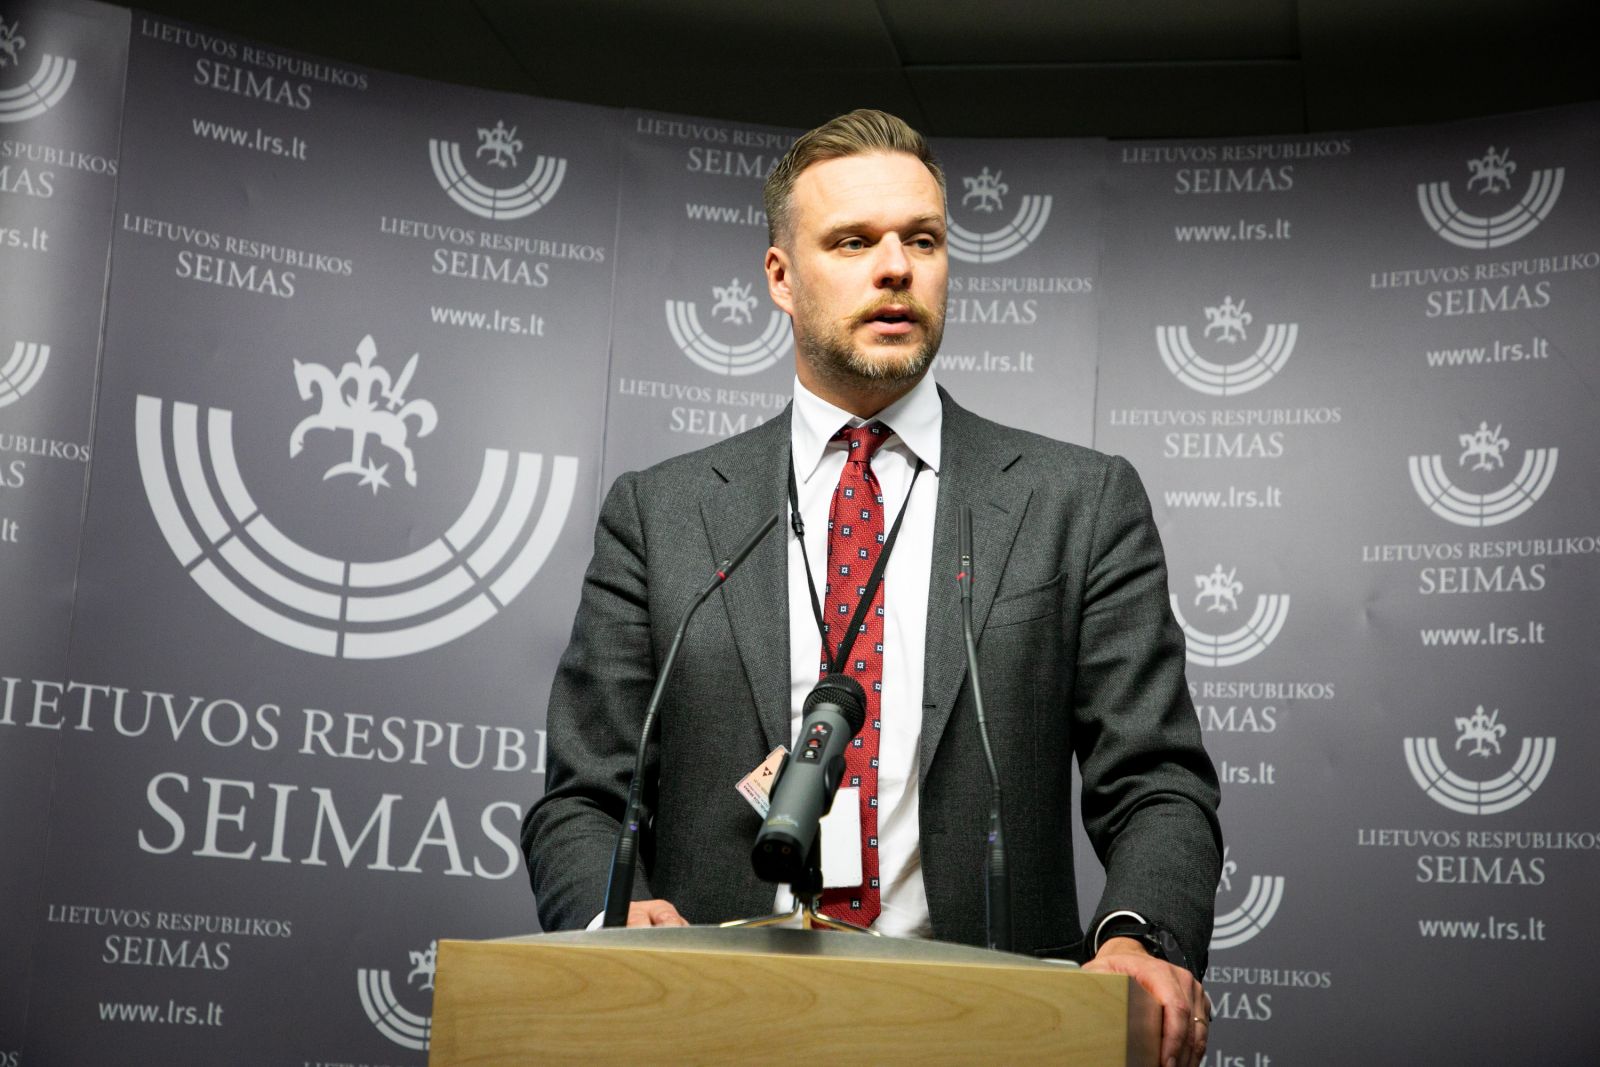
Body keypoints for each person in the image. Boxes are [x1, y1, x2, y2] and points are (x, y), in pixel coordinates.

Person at [523, 109, 1222, 1067]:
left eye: (922, 240)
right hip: (713, 1023)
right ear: (781, 277)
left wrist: (1139, 935)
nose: (895, 268)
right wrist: (612, 914)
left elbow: (1158, 783)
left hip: (991, 1029)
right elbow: (581, 800)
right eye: (853, 242)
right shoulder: (663, 514)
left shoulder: (1076, 501)